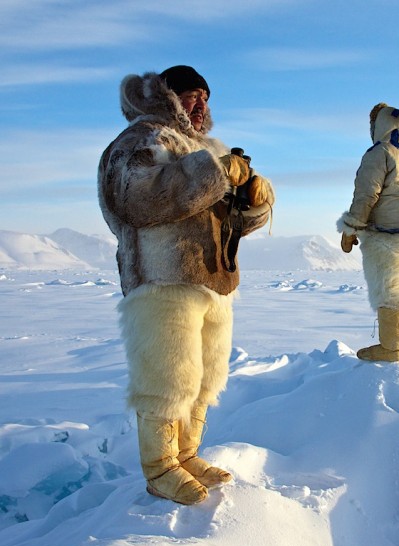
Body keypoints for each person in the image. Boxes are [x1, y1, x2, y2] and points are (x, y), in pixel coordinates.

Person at [98, 65, 275, 505]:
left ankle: (186, 454)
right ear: (166, 96)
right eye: (191, 94)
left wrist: (254, 200)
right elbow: (136, 197)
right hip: (163, 278)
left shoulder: (206, 148)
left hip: (212, 280)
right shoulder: (142, 139)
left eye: (206, 96)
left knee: (205, 378)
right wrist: (214, 171)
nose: (201, 104)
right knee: (167, 379)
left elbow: (226, 221)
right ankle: (160, 468)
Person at [337, 103, 399, 362]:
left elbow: (367, 195)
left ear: (377, 124)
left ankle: (389, 349)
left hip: (386, 234)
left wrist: (350, 229)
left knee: (389, 288)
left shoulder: (379, 153)